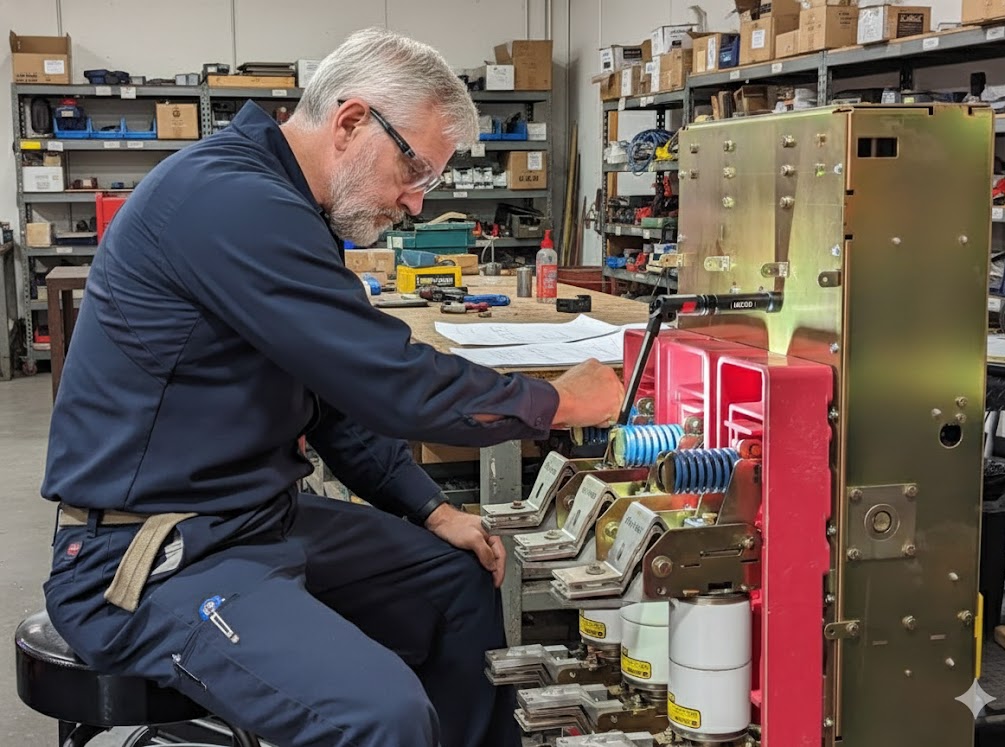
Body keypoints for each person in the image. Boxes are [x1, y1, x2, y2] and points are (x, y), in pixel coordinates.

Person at [39, 27, 624, 747]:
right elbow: (390, 382)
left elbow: (334, 400)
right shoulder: (229, 201)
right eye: (414, 169)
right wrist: (558, 401)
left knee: (460, 584)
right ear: (351, 122)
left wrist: (431, 507)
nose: (415, 203)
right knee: (379, 715)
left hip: (253, 520)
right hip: (150, 553)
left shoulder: (290, 208)